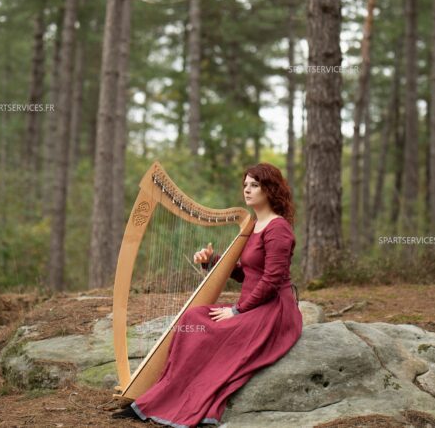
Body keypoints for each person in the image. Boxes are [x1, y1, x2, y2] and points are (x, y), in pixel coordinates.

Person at [112, 163, 303, 427]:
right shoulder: (255, 225)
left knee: (207, 330)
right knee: (194, 317)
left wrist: (237, 311)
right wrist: (212, 261)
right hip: (253, 306)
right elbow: (246, 274)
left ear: (270, 189)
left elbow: (271, 280)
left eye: (254, 185)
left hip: (273, 310)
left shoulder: (277, 228)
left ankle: (185, 402)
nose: (247, 190)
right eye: (245, 185)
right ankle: (160, 397)